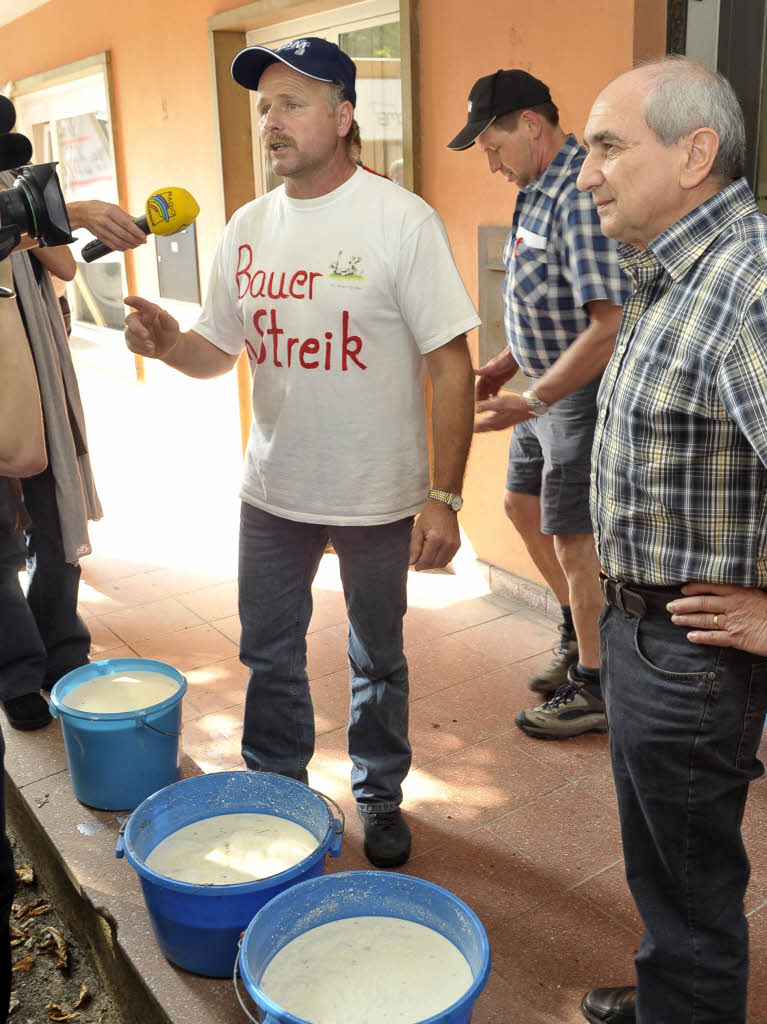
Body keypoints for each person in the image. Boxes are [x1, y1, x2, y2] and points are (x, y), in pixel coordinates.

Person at [124, 37, 478, 869]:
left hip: (378, 493)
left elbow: (450, 363)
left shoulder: (401, 219)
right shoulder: (247, 226)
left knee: (377, 655)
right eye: (264, 108)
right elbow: (218, 352)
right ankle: (278, 789)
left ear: (344, 115)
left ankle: (380, 793)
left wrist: (446, 496)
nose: (270, 122)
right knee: (268, 651)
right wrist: (170, 343)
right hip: (273, 489)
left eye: (291, 104)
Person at [576, 56, 767, 1024]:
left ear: (694, 153)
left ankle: (684, 1001)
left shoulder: (747, 284)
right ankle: (668, 994)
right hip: (642, 633)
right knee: (663, 862)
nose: (585, 172)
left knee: (690, 888)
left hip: (690, 657)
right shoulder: (668, 273)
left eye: (607, 145)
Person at [447, 70, 628, 739]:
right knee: (519, 508)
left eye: (493, 146)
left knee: (574, 541)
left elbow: (607, 324)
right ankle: (574, 631)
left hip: (571, 395)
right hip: (536, 389)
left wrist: (535, 397)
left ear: (529, 124)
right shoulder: (535, 190)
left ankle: (596, 683)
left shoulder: (577, 196)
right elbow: (543, 305)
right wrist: (501, 367)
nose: (490, 163)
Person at [0, 189, 148, 732]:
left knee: (58, 521)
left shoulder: (21, 182)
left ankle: (63, 652)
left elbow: (64, 263)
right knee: (0, 543)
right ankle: (17, 673)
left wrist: (27, 208)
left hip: (41, 378)